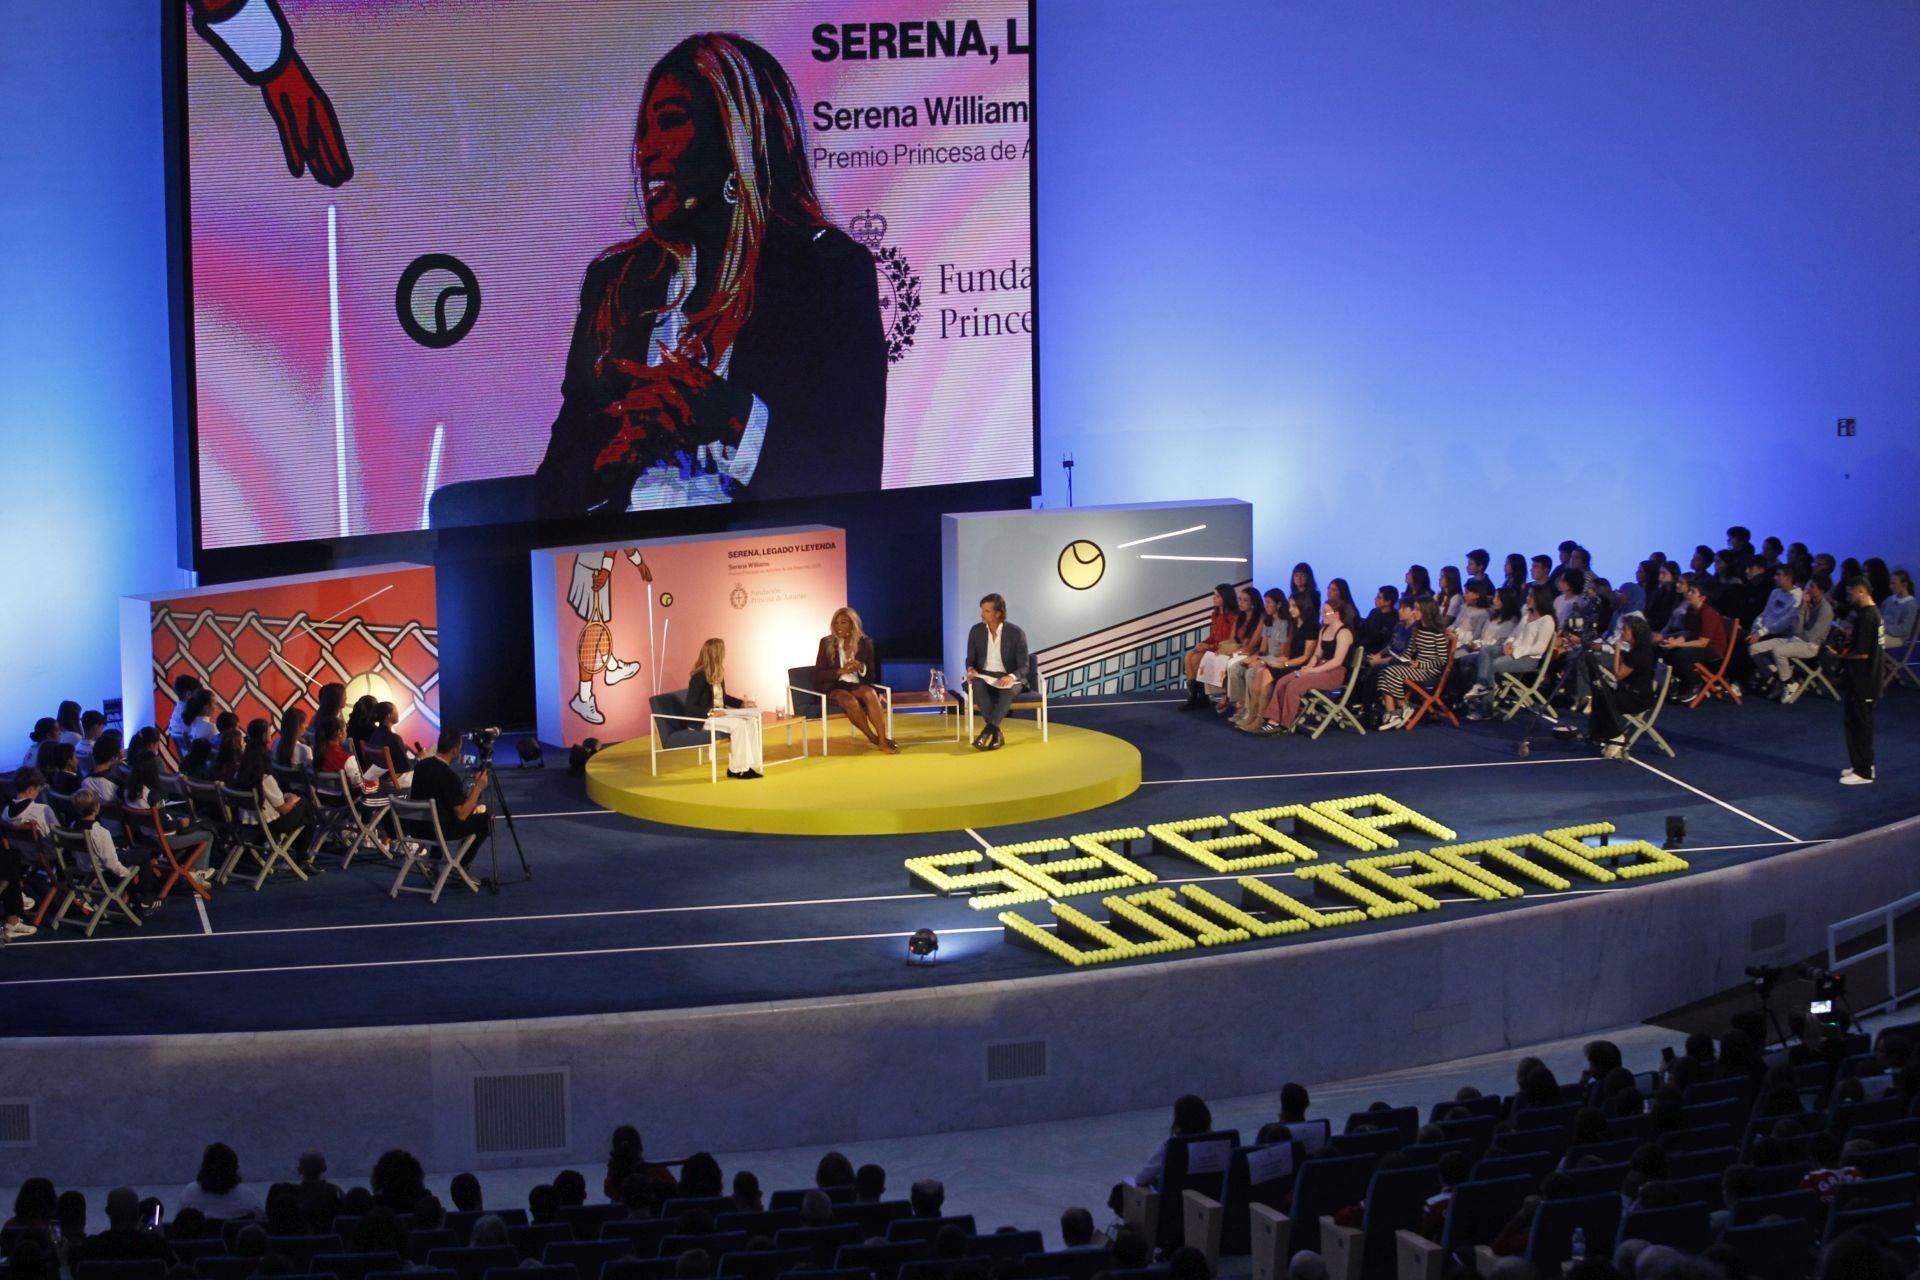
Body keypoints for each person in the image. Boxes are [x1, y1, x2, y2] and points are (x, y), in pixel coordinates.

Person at [533, 33, 886, 515]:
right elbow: (552, 491)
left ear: (736, 135)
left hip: (768, 567)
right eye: (642, 132)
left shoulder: (827, 276)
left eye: (671, 123)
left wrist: (736, 419)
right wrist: (610, 460)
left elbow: (853, 480)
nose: (645, 151)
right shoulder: (617, 284)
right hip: (627, 568)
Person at [1256, 597, 1354, 735]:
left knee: (1295, 686)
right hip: (1319, 667)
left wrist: (1314, 670)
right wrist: (1309, 667)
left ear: (1337, 614)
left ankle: (1285, 723)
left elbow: (1337, 661)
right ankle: (1273, 720)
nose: (1322, 615)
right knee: (1283, 681)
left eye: (1326, 612)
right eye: (1322, 612)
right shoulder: (1324, 630)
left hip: (1334, 672)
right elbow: (1317, 655)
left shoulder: (1344, 633)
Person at [813, 607, 897, 753]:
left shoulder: (865, 642)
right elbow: (819, 674)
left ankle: (882, 740)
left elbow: (871, 676)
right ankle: (873, 737)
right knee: (849, 700)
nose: (838, 626)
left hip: (856, 683)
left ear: (852, 624)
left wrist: (861, 667)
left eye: (843, 623)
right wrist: (841, 671)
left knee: (870, 692)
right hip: (833, 685)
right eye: (836, 623)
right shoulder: (826, 642)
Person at [687, 639, 763, 777]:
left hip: (721, 713)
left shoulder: (718, 673)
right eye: (723, 651)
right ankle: (738, 769)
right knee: (739, 724)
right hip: (704, 719)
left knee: (751, 721)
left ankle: (750, 764)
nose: (725, 654)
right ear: (716, 654)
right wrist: (710, 712)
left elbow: (723, 697)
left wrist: (742, 704)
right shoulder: (699, 677)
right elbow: (690, 707)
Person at [965, 593, 1030, 752]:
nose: (982, 614)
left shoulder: (1016, 633)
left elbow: (1024, 666)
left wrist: (1011, 676)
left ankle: (987, 732)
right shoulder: (976, 631)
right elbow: (970, 659)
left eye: (987, 611)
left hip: (1008, 676)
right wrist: (971, 669)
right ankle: (995, 733)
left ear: (998, 613)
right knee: (977, 684)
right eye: (982, 610)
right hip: (984, 675)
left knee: (1007, 690)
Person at [1587, 616, 1655, 760]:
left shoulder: (1639, 653)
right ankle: (1602, 734)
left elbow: (1618, 674)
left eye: (1625, 629)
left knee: (1608, 700)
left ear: (1635, 632)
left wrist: (1617, 650)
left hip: (1637, 697)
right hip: (1629, 691)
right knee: (1600, 695)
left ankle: (1616, 736)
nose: (1622, 631)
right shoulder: (1635, 650)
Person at [410, 730, 494, 847]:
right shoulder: (449, 776)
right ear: (454, 751)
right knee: (486, 821)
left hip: (417, 828)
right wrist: (478, 787)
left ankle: (434, 860)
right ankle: (462, 863)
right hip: (439, 831)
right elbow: (462, 815)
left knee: (441, 812)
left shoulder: (420, 766)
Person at [1838, 576, 1882, 785]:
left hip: (1863, 681)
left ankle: (1864, 771)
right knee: (1856, 723)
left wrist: (1840, 656)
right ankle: (1861, 764)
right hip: (1864, 680)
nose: (1849, 597)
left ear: (1861, 591)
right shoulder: (1872, 614)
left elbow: (1863, 653)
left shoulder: (1867, 617)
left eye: (1851, 593)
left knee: (1860, 725)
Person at [1656, 575, 1728, 702]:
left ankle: (1694, 683)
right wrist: (1674, 641)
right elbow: (1689, 633)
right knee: (1665, 649)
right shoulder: (1690, 609)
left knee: (1681, 654)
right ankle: (1683, 682)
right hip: (1697, 643)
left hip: (1712, 648)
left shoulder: (1707, 613)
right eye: (1689, 591)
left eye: (1692, 592)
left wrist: (1678, 645)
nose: (1688, 594)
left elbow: (1703, 642)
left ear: (1702, 598)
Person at [1225, 588, 1291, 726]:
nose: (1266, 606)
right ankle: (1242, 706)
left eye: (1269, 603)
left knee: (1250, 673)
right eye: (1265, 603)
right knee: (1239, 666)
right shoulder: (1268, 622)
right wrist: (1255, 658)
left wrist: (1261, 661)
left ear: (1278, 605)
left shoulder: (1285, 624)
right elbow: (1263, 649)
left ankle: (1253, 712)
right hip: (1266, 657)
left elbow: (1282, 654)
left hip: (1278, 660)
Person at [1181, 584, 1240, 709]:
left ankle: (1202, 696)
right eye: (1214, 595)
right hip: (1213, 647)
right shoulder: (1215, 615)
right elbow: (1213, 635)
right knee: (1189, 656)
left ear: (1226, 598)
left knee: (1196, 659)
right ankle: (1194, 696)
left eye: (1217, 596)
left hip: (1224, 651)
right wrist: (1204, 643)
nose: (1214, 598)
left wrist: (1208, 646)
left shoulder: (1234, 617)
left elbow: (1229, 642)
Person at [180, 1142, 263, 1219]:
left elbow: (179, 1224)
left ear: (205, 1167)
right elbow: (263, 1219)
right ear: (233, 1168)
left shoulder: (189, 1195)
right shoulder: (247, 1197)